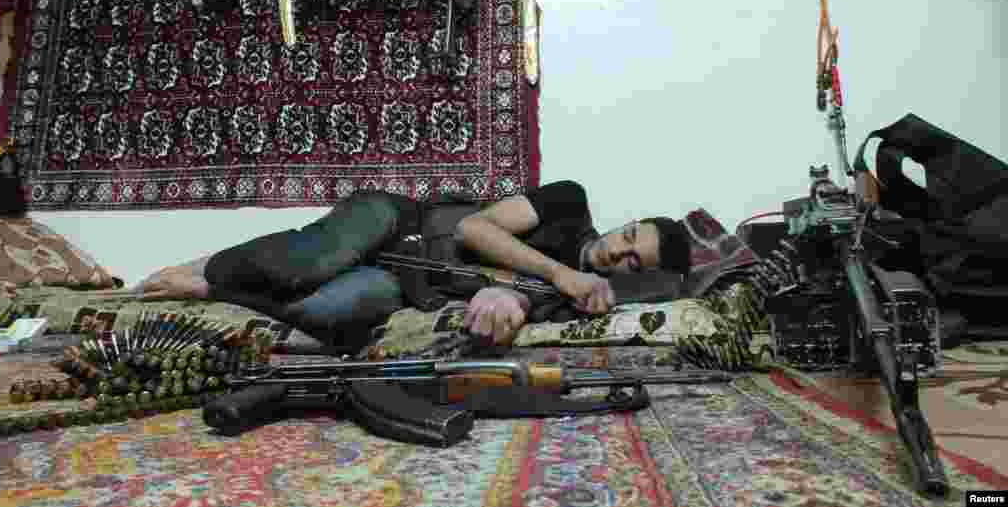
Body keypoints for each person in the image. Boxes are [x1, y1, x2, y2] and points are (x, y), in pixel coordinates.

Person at [136, 180, 694, 349]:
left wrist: (515, 299)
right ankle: (210, 267)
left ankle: (214, 291)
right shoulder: (571, 203)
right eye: (628, 236)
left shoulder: (581, 301)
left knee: (346, 306)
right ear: (627, 221)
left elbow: (514, 303)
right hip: (396, 221)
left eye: (629, 261)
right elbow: (474, 228)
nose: (616, 251)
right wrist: (558, 271)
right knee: (314, 258)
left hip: (407, 284)